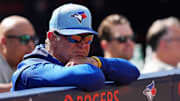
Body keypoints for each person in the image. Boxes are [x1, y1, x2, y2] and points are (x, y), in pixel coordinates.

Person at [11, 3, 140, 91]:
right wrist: (93, 65)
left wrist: (96, 61)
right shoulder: (32, 69)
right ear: (52, 37)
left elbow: (132, 72)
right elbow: (92, 76)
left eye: (88, 38)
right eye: (75, 38)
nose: (83, 45)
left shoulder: (83, 62)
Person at [0, 15, 37, 92]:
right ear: (4, 42)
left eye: (33, 39)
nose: (31, 45)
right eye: (24, 39)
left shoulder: (32, 61)